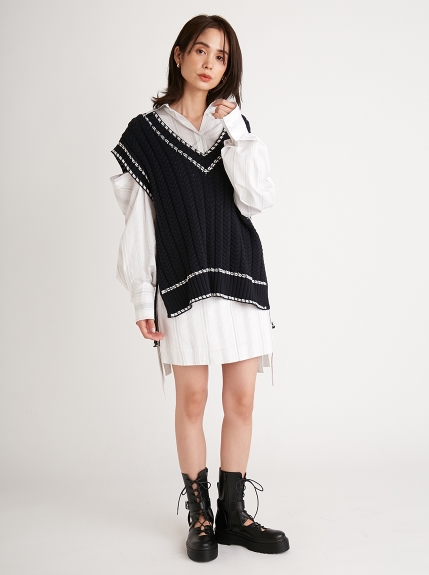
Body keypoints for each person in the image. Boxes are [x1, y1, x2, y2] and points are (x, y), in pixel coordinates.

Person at [110, 14, 289, 563]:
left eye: (222, 56)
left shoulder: (233, 126)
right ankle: (201, 516)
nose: (211, 64)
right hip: (183, 281)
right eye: (202, 50)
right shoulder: (145, 134)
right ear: (180, 54)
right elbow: (140, 221)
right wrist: (142, 293)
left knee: (241, 399)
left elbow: (258, 199)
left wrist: (238, 131)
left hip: (239, 275)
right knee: (192, 399)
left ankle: (234, 514)